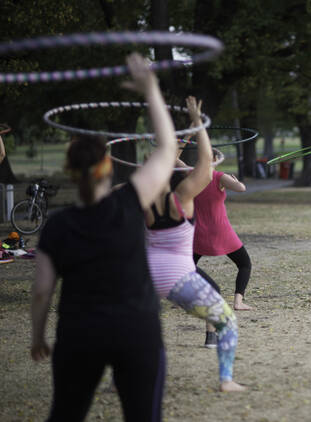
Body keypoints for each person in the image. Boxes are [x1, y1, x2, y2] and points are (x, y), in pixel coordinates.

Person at [30, 53, 177, 421]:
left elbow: (42, 290)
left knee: (66, 414)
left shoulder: (57, 226)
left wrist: (37, 336)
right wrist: (151, 89)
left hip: (80, 334)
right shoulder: (129, 202)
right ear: (108, 167)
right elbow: (168, 149)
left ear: (71, 172)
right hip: (136, 329)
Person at [145, 96, 245, 392]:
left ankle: (117, 380)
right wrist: (198, 122)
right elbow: (203, 163)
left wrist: (188, 131)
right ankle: (226, 380)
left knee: (133, 325)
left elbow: (172, 156)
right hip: (177, 276)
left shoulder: (140, 197)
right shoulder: (182, 199)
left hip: (144, 273)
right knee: (227, 320)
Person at [192, 163, 252, 312]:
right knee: (245, 264)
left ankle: (187, 298)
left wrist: (185, 139)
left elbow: (174, 159)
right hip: (221, 230)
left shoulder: (192, 175)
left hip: (199, 231)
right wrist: (237, 181)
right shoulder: (219, 177)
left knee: (186, 266)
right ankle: (238, 302)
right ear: (215, 159)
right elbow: (241, 188)